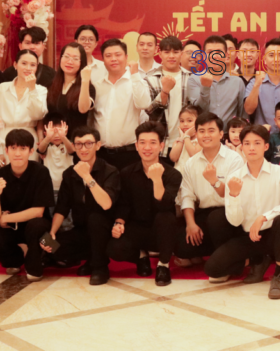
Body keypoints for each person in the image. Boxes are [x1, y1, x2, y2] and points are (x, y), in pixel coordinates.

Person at [204, 125, 280, 299]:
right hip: (249, 236)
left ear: (266, 146)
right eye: (247, 143)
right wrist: (234, 195)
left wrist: (264, 217)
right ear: (241, 147)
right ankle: (257, 260)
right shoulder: (234, 177)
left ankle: (278, 276)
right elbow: (234, 222)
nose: (251, 148)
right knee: (213, 269)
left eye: (257, 143)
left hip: (274, 235)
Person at [41, 126, 119, 285]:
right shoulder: (69, 173)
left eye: (88, 144)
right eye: (79, 144)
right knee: (51, 247)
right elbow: (62, 207)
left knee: (95, 219)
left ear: (98, 145)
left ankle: (100, 267)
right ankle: (91, 258)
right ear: (73, 146)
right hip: (81, 230)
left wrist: (87, 176)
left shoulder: (110, 171)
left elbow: (106, 204)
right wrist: (52, 232)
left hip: (105, 230)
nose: (83, 149)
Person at [107, 121, 182, 286]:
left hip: (161, 231)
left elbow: (164, 206)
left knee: (166, 218)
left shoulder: (173, 174)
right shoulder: (127, 172)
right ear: (136, 146)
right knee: (114, 248)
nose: (147, 147)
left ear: (161, 146)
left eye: (153, 142)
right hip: (136, 227)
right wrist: (119, 222)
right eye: (142, 142)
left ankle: (163, 265)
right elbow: (124, 204)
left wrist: (157, 179)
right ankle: (141, 256)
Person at [0, 130, 54, 280]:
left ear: (31, 151)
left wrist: (6, 218)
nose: (18, 153)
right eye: (13, 148)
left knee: (43, 233)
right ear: (6, 150)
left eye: (23, 148)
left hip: (38, 226)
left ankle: (35, 264)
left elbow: (38, 212)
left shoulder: (41, 172)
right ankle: (14, 260)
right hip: (11, 228)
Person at [175, 112, 244, 263]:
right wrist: (191, 224)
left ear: (221, 134)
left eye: (211, 130)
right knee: (181, 246)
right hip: (204, 212)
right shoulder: (191, 163)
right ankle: (223, 251)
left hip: (229, 213)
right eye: (201, 131)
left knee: (216, 219)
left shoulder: (234, 159)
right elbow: (187, 196)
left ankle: (229, 257)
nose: (206, 135)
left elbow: (233, 195)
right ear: (196, 134)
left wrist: (214, 181)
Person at [93, 38, 150, 171]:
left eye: (118, 55)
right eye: (108, 56)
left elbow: (144, 104)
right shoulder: (97, 86)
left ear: (126, 57)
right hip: (101, 153)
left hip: (129, 153)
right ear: (103, 60)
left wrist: (135, 75)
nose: (113, 59)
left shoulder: (136, 81)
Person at [0, 50, 48, 159]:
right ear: (15, 65)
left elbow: (38, 115)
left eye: (33, 65)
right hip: (4, 139)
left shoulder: (41, 90)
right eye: (24, 63)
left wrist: (32, 89)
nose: (28, 68)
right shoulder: (3, 88)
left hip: (29, 140)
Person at [143, 36, 192, 152]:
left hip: (187, 142)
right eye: (167, 52)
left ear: (181, 54)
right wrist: (165, 91)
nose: (171, 56)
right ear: (160, 54)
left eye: (175, 52)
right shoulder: (150, 79)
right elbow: (150, 111)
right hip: (161, 143)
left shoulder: (191, 78)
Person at [187, 35, 246, 125]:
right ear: (204, 55)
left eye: (218, 52)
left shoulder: (237, 82)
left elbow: (242, 115)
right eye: (209, 52)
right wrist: (205, 88)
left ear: (226, 55)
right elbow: (196, 111)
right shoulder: (194, 79)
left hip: (229, 133)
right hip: (203, 131)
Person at [47, 42, 95, 132]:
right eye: (66, 56)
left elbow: (83, 109)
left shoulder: (89, 87)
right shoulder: (51, 84)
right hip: (53, 137)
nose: (69, 62)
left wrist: (85, 81)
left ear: (82, 62)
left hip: (76, 138)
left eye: (75, 58)